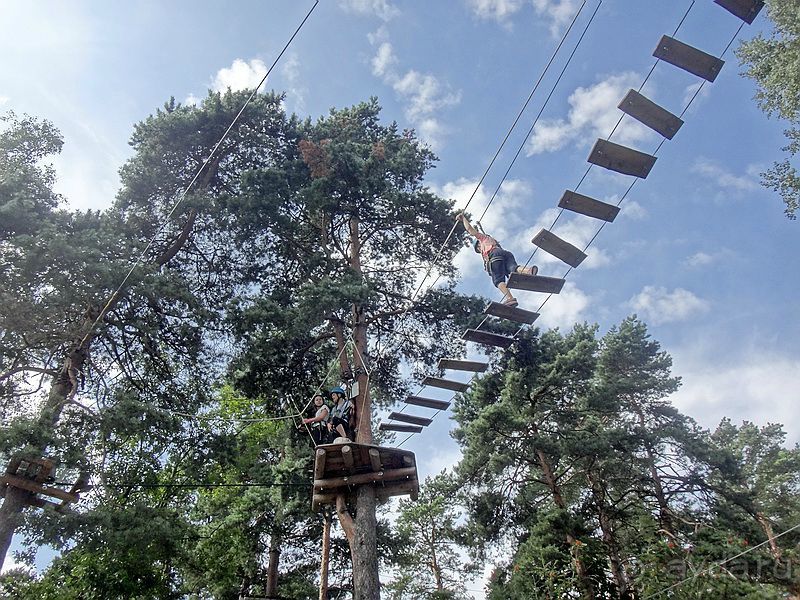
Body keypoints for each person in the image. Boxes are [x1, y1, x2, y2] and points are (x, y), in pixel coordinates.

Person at [456, 212, 537, 308]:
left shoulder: (482, 239)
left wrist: (463, 218)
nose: (479, 250)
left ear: (478, 244)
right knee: (513, 268)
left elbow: (470, 230)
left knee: (497, 279)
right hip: (505, 253)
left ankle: (510, 298)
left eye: (478, 248)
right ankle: (528, 271)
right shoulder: (492, 240)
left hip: (495, 256)